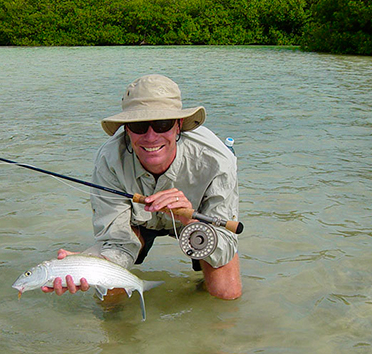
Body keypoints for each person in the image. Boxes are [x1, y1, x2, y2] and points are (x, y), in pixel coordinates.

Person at [43, 74, 242, 300]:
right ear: (127, 129)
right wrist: (88, 266)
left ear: (178, 126)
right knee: (108, 297)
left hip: (198, 226)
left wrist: (191, 221)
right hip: (137, 224)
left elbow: (224, 245)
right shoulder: (109, 160)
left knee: (227, 293)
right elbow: (117, 241)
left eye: (162, 124)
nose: (150, 136)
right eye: (139, 126)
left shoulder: (217, 159)